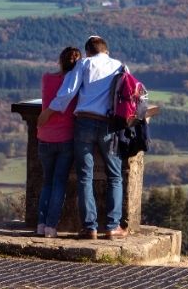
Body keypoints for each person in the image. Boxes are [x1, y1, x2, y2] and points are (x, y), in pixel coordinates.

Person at [38, 35, 127, 240]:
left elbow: (67, 92)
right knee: (115, 175)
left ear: (88, 51)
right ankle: (113, 226)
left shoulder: (84, 64)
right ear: (106, 50)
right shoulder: (119, 66)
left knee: (84, 177)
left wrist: (48, 112)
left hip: (84, 123)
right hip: (109, 124)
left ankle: (90, 227)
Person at [36, 46, 81, 238]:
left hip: (44, 136)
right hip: (66, 138)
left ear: (60, 61)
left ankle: (40, 224)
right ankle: (51, 227)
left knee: (47, 182)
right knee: (59, 183)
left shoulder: (47, 78)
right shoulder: (77, 85)